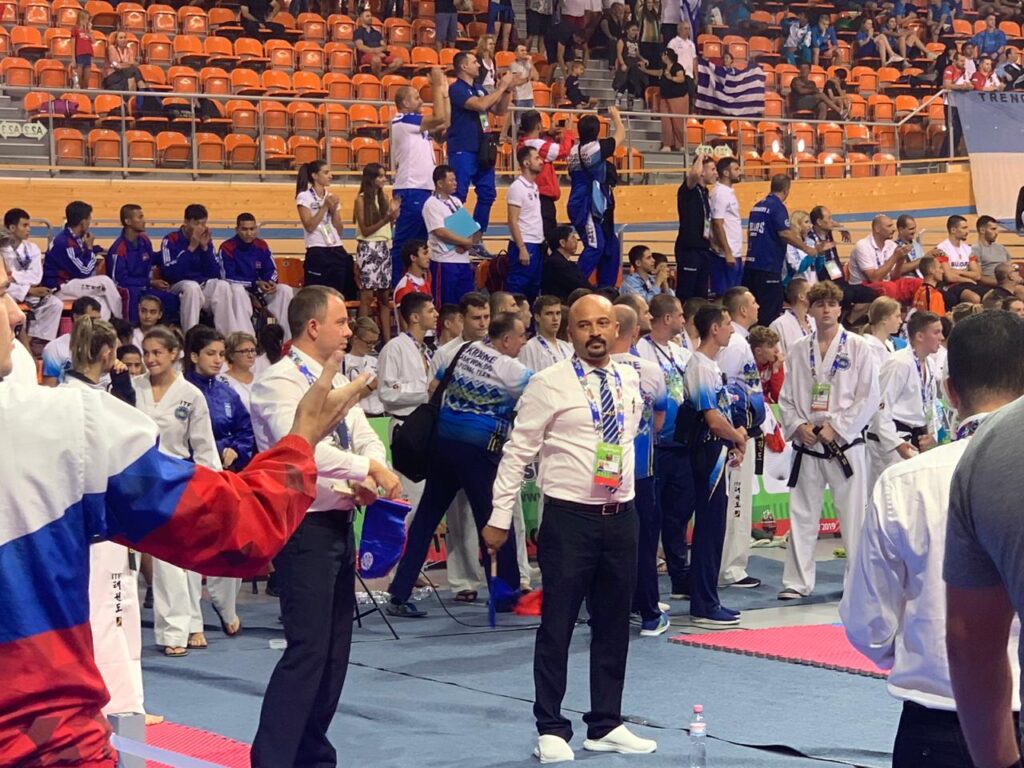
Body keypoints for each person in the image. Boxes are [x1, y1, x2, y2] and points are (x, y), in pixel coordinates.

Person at [0, 251, 373, 768]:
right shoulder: (63, 424)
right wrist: (301, 442)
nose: (17, 312)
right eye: (2, 294)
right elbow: (238, 527)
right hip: (37, 740)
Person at [842, 312, 1024, 767]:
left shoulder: (905, 481)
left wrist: (918, 652)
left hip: (937, 714)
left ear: (949, 390)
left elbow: (867, 622)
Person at [487, 294, 655, 762]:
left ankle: (606, 723)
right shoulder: (548, 383)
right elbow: (517, 453)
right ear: (570, 332)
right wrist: (499, 516)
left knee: (614, 624)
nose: (595, 333)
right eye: (584, 325)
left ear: (616, 329)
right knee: (557, 625)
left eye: (603, 323)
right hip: (569, 520)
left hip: (622, 516)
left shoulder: (629, 376)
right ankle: (551, 728)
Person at [249, 286, 400, 768]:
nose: (349, 329)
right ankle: (272, 759)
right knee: (308, 651)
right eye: (341, 322)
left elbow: (364, 435)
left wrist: (371, 468)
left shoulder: (336, 378)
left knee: (334, 655)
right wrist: (364, 469)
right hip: (301, 529)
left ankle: (313, 755)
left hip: (338, 523)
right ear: (313, 327)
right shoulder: (277, 381)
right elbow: (299, 447)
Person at [386, 312, 531, 616]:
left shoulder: (467, 349)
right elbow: (543, 394)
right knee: (495, 520)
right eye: (521, 336)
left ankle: (399, 592)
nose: (524, 342)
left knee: (426, 520)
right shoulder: (511, 369)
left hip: (443, 445)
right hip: (478, 452)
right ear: (506, 339)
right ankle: (505, 595)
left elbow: (435, 384)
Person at [778, 281, 879, 599]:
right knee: (802, 513)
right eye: (820, 304)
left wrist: (838, 427)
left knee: (853, 516)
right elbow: (786, 397)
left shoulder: (858, 347)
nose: (826, 310)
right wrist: (798, 426)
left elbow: (869, 396)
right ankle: (797, 582)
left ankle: (857, 582)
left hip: (844, 444)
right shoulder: (798, 349)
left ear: (840, 309)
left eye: (831, 304)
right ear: (809, 309)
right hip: (808, 442)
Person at [134, 326, 227, 656]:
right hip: (140, 480)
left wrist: (212, 487)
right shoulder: (133, 388)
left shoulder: (190, 394)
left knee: (176, 559)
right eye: (146, 353)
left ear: (174, 354)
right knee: (148, 560)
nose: (150, 359)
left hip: (177, 479)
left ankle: (183, 628)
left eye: (157, 352)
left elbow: (204, 445)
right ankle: (173, 630)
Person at [683, 304, 749, 625]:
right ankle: (704, 602)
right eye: (727, 324)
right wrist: (736, 436)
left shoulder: (711, 365)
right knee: (709, 529)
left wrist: (735, 439)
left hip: (718, 451)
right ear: (714, 329)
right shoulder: (699, 366)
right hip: (706, 453)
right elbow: (711, 418)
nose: (732, 330)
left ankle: (708, 598)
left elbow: (722, 412)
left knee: (716, 527)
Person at [609, 304, 670, 636]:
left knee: (604, 541)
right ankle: (648, 613)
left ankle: (604, 611)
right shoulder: (649, 369)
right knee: (644, 541)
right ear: (634, 332)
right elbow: (660, 417)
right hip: (640, 467)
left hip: (604, 468)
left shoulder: (591, 367)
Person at [638, 294, 695, 600]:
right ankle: (645, 585)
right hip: (654, 447)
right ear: (667, 318)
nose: (684, 320)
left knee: (679, 514)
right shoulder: (641, 350)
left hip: (682, 445)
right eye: (680, 315)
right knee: (650, 518)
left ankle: (680, 577)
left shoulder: (682, 352)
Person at [717, 287, 765, 591]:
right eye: (754, 302)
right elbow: (723, 388)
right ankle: (730, 568)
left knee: (737, 500)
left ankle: (729, 564)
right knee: (736, 501)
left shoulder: (738, 341)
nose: (759, 305)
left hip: (741, 429)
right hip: (736, 432)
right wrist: (737, 429)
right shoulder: (735, 344)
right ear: (743, 310)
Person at [866, 311, 944, 493]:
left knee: (911, 496)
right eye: (936, 332)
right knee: (888, 495)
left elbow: (931, 403)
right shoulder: (899, 363)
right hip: (891, 439)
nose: (941, 337)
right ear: (920, 336)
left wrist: (931, 433)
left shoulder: (930, 364)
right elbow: (880, 407)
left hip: (915, 437)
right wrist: (896, 443)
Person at [389, 69, 451, 286]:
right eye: (416, 97)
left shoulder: (415, 124)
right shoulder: (403, 120)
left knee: (423, 244)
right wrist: (435, 86)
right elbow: (439, 117)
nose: (421, 101)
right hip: (411, 187)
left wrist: (444, 94)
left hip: (423, 188)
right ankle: (398, 288)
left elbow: (445, 122)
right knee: (406, 244)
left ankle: (418, 286)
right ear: (405, 103)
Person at [378, 292, 438, 502]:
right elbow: (386, 393)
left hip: (427, 426)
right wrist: (425, 392)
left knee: (427, 494)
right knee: (412, 495)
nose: (436, 314)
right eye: (430, 310)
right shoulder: (394, 348)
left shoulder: (426, 349)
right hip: (406, 427)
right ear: (415, 317)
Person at [447, 51, 515, 233]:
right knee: (458, 195)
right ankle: (459, 236)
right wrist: (501, 87)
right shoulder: (456, 89)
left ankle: (476, 236)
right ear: (463, 66)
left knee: (487, 194)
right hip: (463, 147)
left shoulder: (479, 88)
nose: (478, 65)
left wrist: (507, 91)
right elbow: (480, 105)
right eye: (474, 62)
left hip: (483, 148)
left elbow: (499, 111)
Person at [161, 204, 254, 335]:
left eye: (203, 224)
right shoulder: (171, 239)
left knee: (222, 285)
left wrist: (205, 249)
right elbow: (170, 273)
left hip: (203, 286)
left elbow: (215, 273)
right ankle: (191, 336)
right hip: (178, 286)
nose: (201, 228)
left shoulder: (206, 241)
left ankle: (228, 336)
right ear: (186, 222)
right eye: (197, 224)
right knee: (192, 287)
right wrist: (191, 248)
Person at [743, 175, 815, 327]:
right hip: (769, 266)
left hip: (751, 265)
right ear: (786, 189)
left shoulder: (756, 206)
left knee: (753, 309)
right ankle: (766, 339)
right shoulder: (777, 207)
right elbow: (784, 233)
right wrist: (807, 248)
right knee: (769, 312)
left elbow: (750, 232)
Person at [567, 108, 626, 287]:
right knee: (595, 246)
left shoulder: (573, 151)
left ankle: (606, 289)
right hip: (586, 205)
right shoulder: (595, 149)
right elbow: (621, 135)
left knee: (611, 246)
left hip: (593, 204)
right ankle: (573, 285)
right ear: (597, 131)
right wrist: (616, 117)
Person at [217, 213, 295, 340]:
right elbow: (227, 277)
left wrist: (270, 283)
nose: (249, 233)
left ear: (256, 229)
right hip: (241, 292)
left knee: (285, 290)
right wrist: (254, 284)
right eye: (244, 229)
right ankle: (247, 340)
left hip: (260, 289)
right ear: (237, 230)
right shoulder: (227, 247)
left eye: (252, 229)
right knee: (237, 290)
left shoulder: (262, 245)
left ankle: (285, 340)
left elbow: (272, 269)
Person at [43, 201, 122, 321]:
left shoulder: (73, 238)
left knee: (102, 301)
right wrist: (90, 249)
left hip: (71, 284)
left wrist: (99, 249)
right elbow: (84, 271)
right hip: (59, 287)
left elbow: (80, 253)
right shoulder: (64, 243)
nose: (90, 223)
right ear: (83, 222)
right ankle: (122, 321)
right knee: (105, 282)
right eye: (89, 220)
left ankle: (100, 329)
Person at [108, 204, 179, 326]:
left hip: (145, 288)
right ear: (128, 221)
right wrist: (149, 282)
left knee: (171, 299)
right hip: (128, 290)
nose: (144, 221)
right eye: (140, 217)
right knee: (132, 294)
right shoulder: (118, 250)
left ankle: (165, 331)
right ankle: (131, 329)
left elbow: (151, 258)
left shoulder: (144, 240)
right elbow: (118, 281)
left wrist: (172, 253)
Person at [353, 163, 401, 342]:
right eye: (380, 176)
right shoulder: (361, 200)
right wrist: (387, 218)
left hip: (383, 247)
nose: (384, 179)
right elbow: (366, 230)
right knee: (366, 297)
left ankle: (387, 340)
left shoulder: (384, 197)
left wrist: (393, 216)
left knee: (384, 298)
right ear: (371, 178)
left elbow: (387, 226)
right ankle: (362, 339)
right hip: (368, 248)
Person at [1, 207, 62, 344]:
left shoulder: (32, 248)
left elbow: (35, 277)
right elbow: (3, 281)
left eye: (29, 225)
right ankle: (13, 341)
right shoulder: (1, 249)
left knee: (55, 304)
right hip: (8, 293)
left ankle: (35, 341)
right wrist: (27, 289)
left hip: (29, 293)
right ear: (12, 228)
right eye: (24, 225)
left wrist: (14, 276)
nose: (29, 229)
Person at [517, 110, 576, 250]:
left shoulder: (524, 143)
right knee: (548, 237)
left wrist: (548, 135)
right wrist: (568, 132)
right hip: (543, 198)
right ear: (538, 126)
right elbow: (563, 151)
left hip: (538, 196)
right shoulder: (536, 145)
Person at [423, 164, 480, 306]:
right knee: (446, 304)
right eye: (451, 180)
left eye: (455, 180)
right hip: (444, 261)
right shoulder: (431, 204)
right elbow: (439, 231)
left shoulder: (456, 201)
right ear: (440, 183)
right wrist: (464, 242)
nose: (455, 183)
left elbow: (468, 226)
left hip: (463, 260)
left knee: (466, 303)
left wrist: (467, 243)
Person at [296, 161, 354, 300]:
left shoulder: (331, 197)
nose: (330, 176)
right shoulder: (304, 197)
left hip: (336, 248)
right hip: (317, 249)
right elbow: (309, 226)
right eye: (326, 172)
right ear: (314, 176)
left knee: (337, 294)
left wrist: (333, 210)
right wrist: (324, 207)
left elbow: (339, 230)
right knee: (316, 295)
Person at [848, 214, 923, 304]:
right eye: (889, 226)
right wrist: (895, 257)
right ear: (877, 229)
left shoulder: (891, 245)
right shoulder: (862, 246)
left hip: (887, 283)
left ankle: (917, 310)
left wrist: (900, 260)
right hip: (862, 286)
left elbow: (895, 278)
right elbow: (874, 279)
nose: (894, 229)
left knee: (918, 283)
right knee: (889, 287)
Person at [673, 155, 717, 301]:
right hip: (689, 249)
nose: (716, 173)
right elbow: (694, 174)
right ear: (702, 172)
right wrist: (700, 156)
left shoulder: (705, 192)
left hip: (703, 249)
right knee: (687, 293)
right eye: (712, 169)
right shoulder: (689, 189)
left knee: (701, 294)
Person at [506, 145, 546, 303]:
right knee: (517, 289)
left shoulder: (534, 187)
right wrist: (522, 248)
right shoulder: (518, 187)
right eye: (537, 158)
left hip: (536, 244)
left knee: (533, 289)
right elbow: (512, 220)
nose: (541, 161)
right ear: (526, 163)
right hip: (525, 244)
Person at [42, 297, 102, 386]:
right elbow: (49, 387)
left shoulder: (104, 346)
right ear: (76, 317)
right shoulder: (54, 348)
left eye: (98, 320)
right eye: (91, 319)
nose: (96, 325)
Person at [710, 156, 744, 296]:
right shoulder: (720, 193)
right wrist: (727, 252)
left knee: (735, 295)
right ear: (725, 172)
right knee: (725, 295)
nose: (739, 172)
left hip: (734, 252)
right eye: (736, 169)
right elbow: (717, 223)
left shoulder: (727, 192)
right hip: (725, 255)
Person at [519, 295, 574, 372]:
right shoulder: (529, 348)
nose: (555, 318)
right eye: (549, 314)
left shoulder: (568, 347)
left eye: (558, 313)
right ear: (537, 317)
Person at [936, 214, 982, 305]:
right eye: (964, 228)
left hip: (968, 284)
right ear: (953, 230)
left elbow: (977, 275)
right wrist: (968, 279)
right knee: (974, 298)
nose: (967, 231)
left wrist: (956, 271)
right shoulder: (941, 249)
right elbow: (949, 277)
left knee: (990, 296)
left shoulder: (968, 248)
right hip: (950, 286)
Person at [343, 318, 384, 418]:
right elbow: (345, 398)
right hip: (359, 415)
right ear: (355, 339)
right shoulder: (343, 362)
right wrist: (371, 386)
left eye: (375, 342)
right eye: (369, 342)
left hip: (381, 414)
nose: (372, 346)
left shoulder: (375, 361)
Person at [542, 225, 592, 302]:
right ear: (562, 243)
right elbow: (577, 285)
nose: (576, 241)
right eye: (572, 237)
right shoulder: (555, 263)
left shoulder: (566, 263)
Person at [770, 277, 816, 357]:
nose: (815, 296)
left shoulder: (814, 320)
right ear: (801, 296)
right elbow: (779, 357)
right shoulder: (778, 325)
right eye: (811, 292)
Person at [392, 239, 432, 327]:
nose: (428, 257)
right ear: (413, 257)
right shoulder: (404, 287)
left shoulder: (425, 282)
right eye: (424, 253)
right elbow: (404, 324)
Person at [658, 49, 691, 152]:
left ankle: (681, 144)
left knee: (678, 122)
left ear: (666, 56)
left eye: (662, 55)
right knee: (666, 122)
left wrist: (671, 78)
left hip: (678, 98)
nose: (661, 57)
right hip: (665, 97)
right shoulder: (664, 68)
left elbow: (681, 78)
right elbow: (658, 73)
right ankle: (667, 144)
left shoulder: (677, 67)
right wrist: (645, 70)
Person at [613, 22, 650, 108]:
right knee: (624, 81)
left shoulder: (636, 42)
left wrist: (643, 59)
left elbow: (637, 54)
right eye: (633, 30)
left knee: (633, 81)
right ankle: (618, 99)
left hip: (634, 65)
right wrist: (622, 64)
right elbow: (619, 54)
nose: (635, 32)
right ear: (627, 30)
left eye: (636, 30)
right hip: (626, 63)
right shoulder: (622, 41)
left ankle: (630, 102)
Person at [354, 7, 401, 77]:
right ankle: (378, 78)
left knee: (398, 61)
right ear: (361, 19)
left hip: (380, 54)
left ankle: (381, 75)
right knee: (376, 60)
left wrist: (379, 52)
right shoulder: (358, 32)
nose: (370, 18)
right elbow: (360, 47)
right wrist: (375, 52)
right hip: (366, 55)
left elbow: (384, 46)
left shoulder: (377, 32)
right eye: (367, 16)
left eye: (370, 16)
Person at [223, 331, 260, 412]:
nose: (250, 355)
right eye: (245, 351)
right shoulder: (222, 381)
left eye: (253, 350)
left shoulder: (261, 379)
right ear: (231, 355)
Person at [509, 43, 539, 108]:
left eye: (525, 50)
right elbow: (517, 82)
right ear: (516, 53)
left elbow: (536, 77)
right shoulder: (514, 65)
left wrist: (531, 63)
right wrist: (528, 78)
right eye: (522, 50)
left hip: (530, 97)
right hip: (519, 98)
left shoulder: (528, 64)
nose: (525, 52)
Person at [71, 11, 94, 89]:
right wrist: (73, 59)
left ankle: (85, 93)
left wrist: (90, 31)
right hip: (79, 55)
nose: (88, 21)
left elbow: (93, 41)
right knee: (79, 79)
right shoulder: (75, 29)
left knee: (86, 80)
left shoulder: (88, 30)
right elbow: (73, 44)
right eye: (87, 19)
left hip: (88, 55)